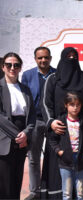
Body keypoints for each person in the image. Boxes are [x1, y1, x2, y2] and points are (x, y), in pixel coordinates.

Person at [40, 47, 83, 199]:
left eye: (74, 57)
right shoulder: (53, 79)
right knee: (59, 174)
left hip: (82, 130)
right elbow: (46, 103)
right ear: (62, 58)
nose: (71, 59)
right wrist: (51, 122)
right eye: (68, 56)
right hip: (59, 132)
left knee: (82, 176)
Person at [21, 46, 56, 200]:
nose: (43, 60)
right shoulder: (27, 75)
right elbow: (25, 100)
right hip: (34, 121)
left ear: (50, 58)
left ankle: (49, 189)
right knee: (34, 158)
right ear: (35, 59)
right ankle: (35, 192)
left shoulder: (57, 74)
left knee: (52, 157)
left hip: (52, 122)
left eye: (46, 57)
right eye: (40, 58)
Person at [0, 52, 36, 199]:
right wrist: (18, 135)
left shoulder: (25, 89)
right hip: (5, 139)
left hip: (22, 140)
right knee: (4, 185)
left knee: (16, 181)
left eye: (16, 65)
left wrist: (26, 134)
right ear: (3, 67)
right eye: (9, 65)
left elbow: (32, 116)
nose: (12, 68)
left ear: (20, 68)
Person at [49, 91, 83, 200]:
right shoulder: (61, 122)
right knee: (67, 194)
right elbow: (53, 140)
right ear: (66, 105)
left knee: (80, 193)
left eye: (78, 105)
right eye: (72, 105)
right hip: (65, 162)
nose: (75, 108)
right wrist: (61, 152)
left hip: (81, 161)